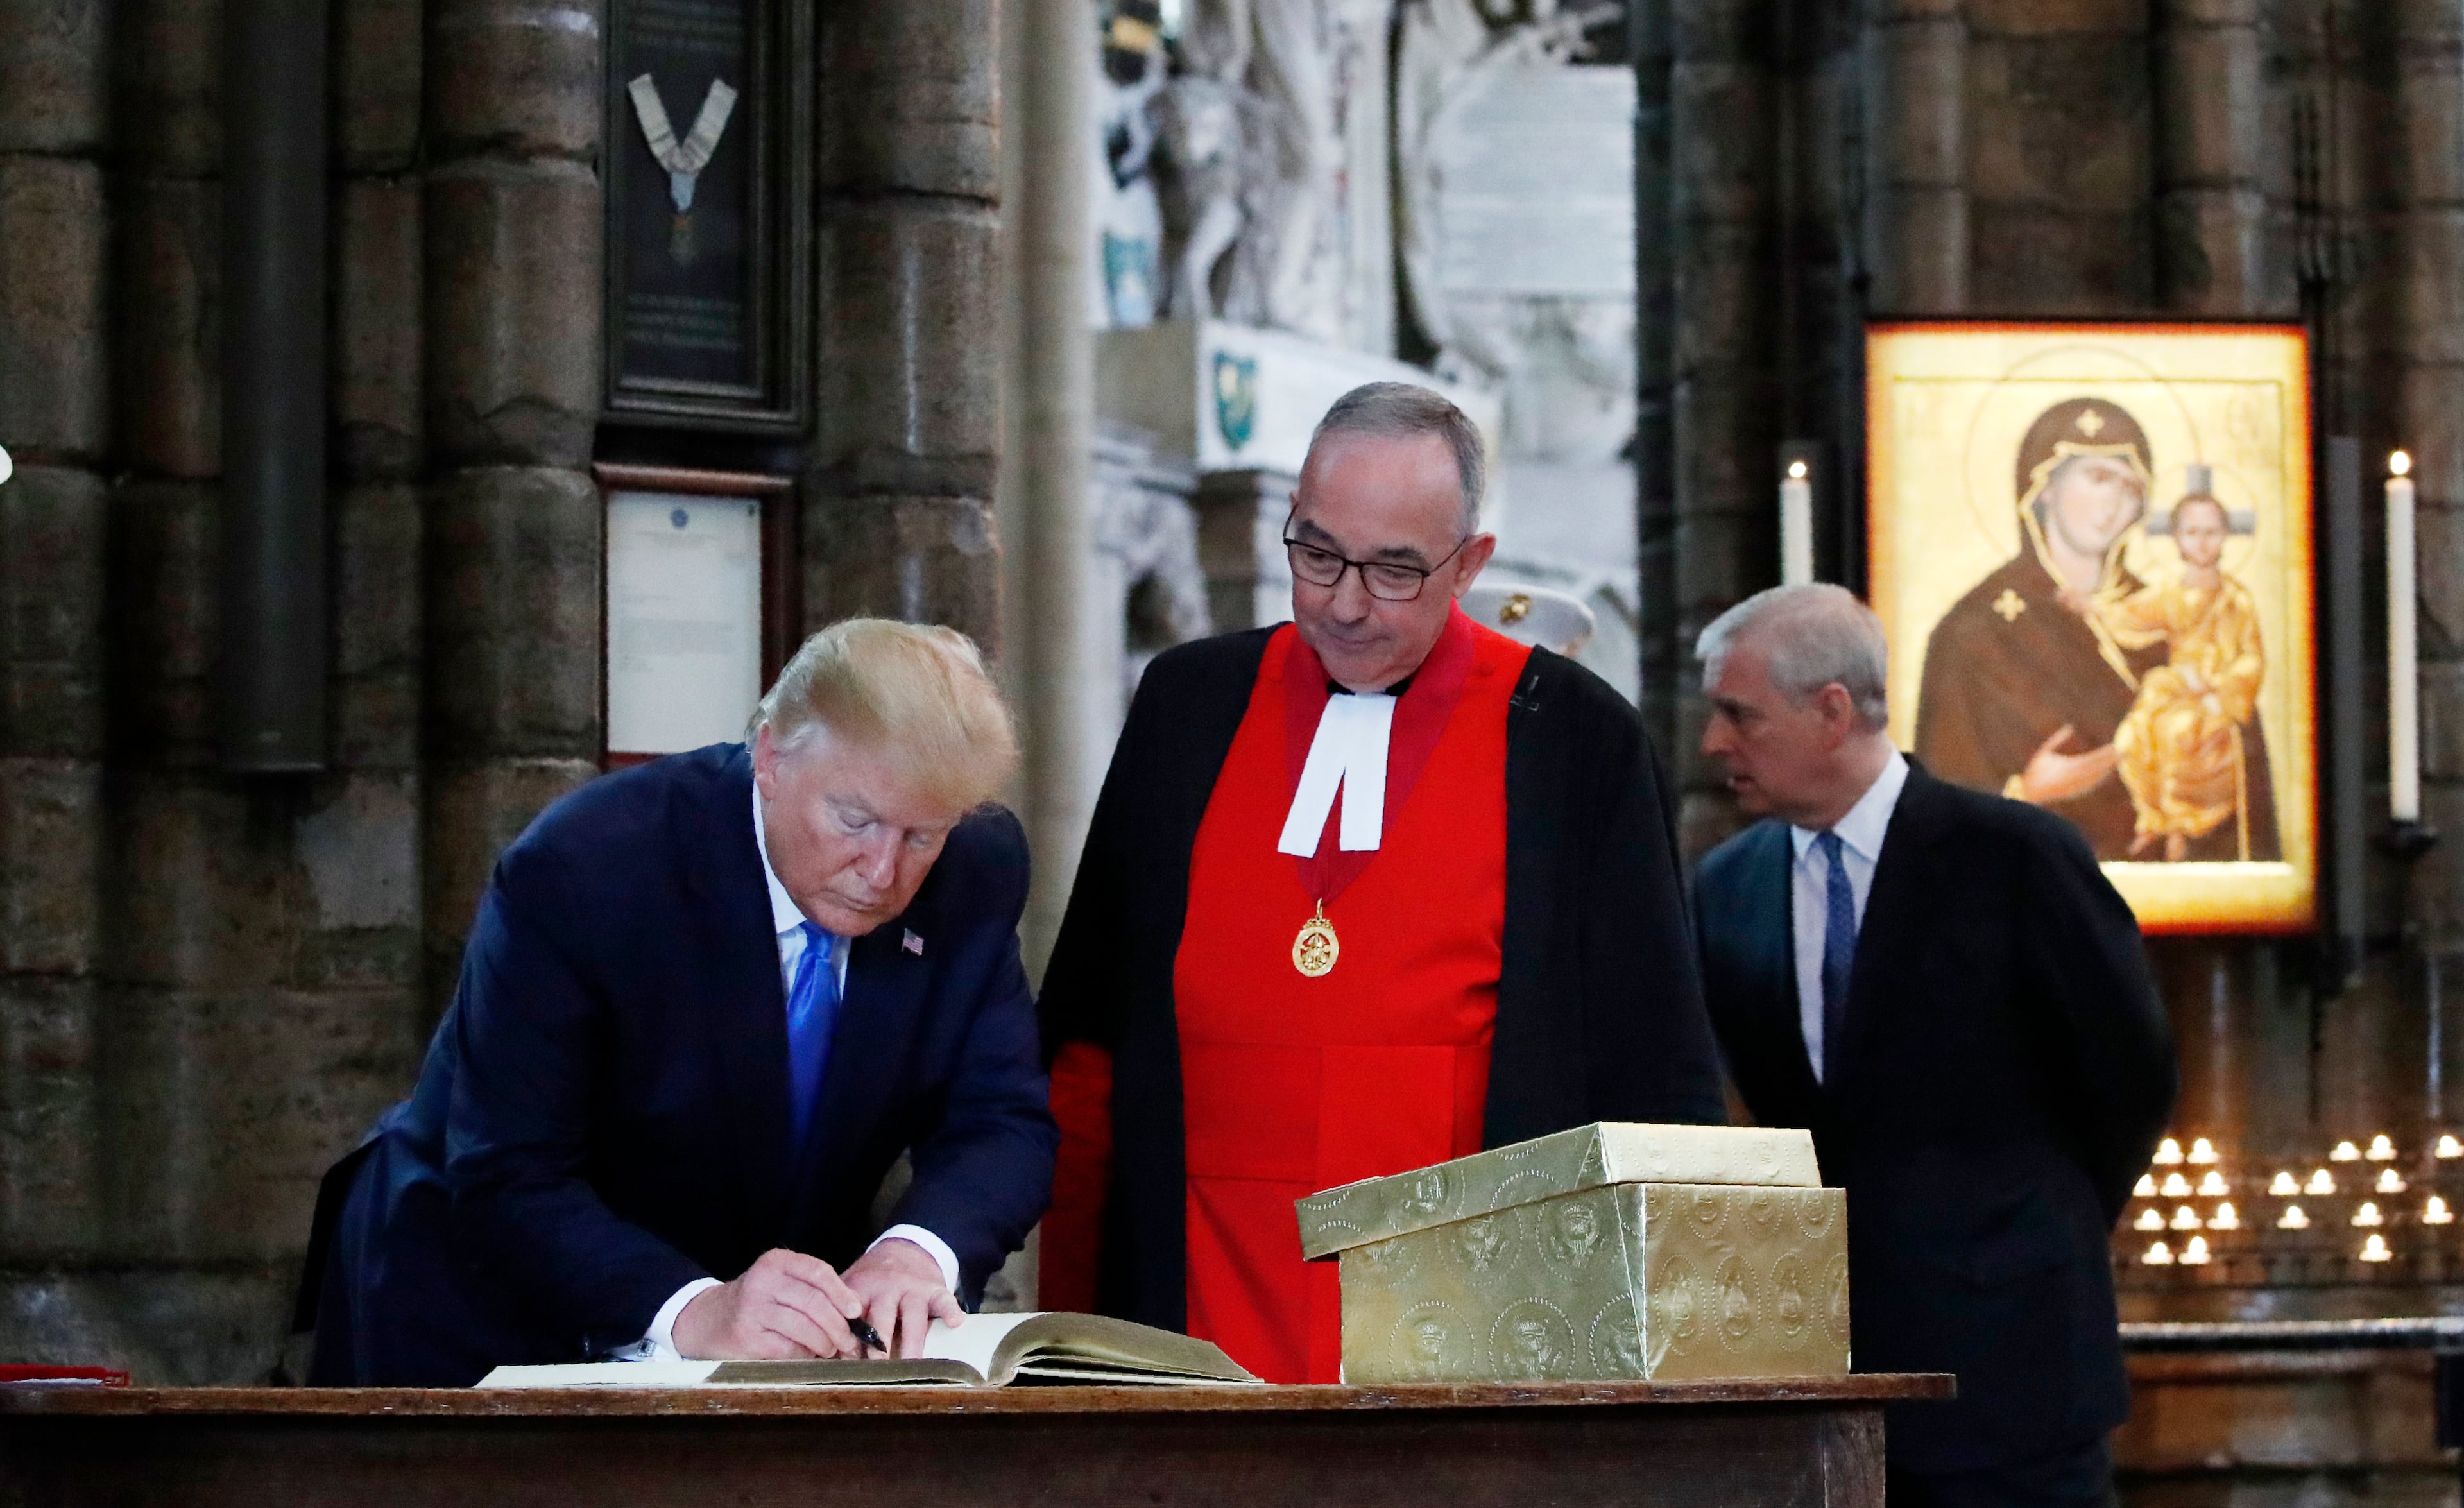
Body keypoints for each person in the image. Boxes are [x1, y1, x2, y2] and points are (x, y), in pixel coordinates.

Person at [1036, 382, 1725, 1384]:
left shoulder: (1574, 737)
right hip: (1194, 1311)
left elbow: (1656, 1078)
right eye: (1316, 555)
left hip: (1471, 1337)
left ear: (1470, 564)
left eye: (1395, 570)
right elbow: (1089, 1036)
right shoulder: (1189, 703)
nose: (1346, 603)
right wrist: (1069, 1329)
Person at [303, 620, 1057, 1385]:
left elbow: (1001, 1118)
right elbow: (512, 1173)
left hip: (760, 1334)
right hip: (481, 1311)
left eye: (921, 837)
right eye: (854, 820)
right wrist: (693, 1310)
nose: (883, 870)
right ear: (770, 758)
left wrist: (917, 1248)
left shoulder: (975, 871)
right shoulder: (589, 866)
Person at [1692, 584, 2176, 1508]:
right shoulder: (1727, 886)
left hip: (2011, 1376)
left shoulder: (2016, 857)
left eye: (1737, 714)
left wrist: (2023, 1227)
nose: (1715, 743)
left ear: (1831, 711)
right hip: (1817, 1387)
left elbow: (2132, 1078)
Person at [1913, 397, 2168, 859]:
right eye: (2098, 478)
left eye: (2130, 488)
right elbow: (1939, 812)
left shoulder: (2169, 621)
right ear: (2044, 485)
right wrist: (2023, 795)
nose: (2112, 502)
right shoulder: (1972, 634)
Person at [2100, 492, 2277, 861]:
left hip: (2218, 699)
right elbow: (2129, 616)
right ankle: (2155, 820)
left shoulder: (2235, 599)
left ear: (2226, 535)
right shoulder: (2171, 594)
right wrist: (2092, 606)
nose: (2202, 541)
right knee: (2133, 735)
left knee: (2179, 733)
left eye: (2211, 531)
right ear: (2177, 538)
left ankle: (2184, 829)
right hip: (2177, 687)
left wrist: (2219, 690)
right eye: (2192, 531)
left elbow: (2251, 658)